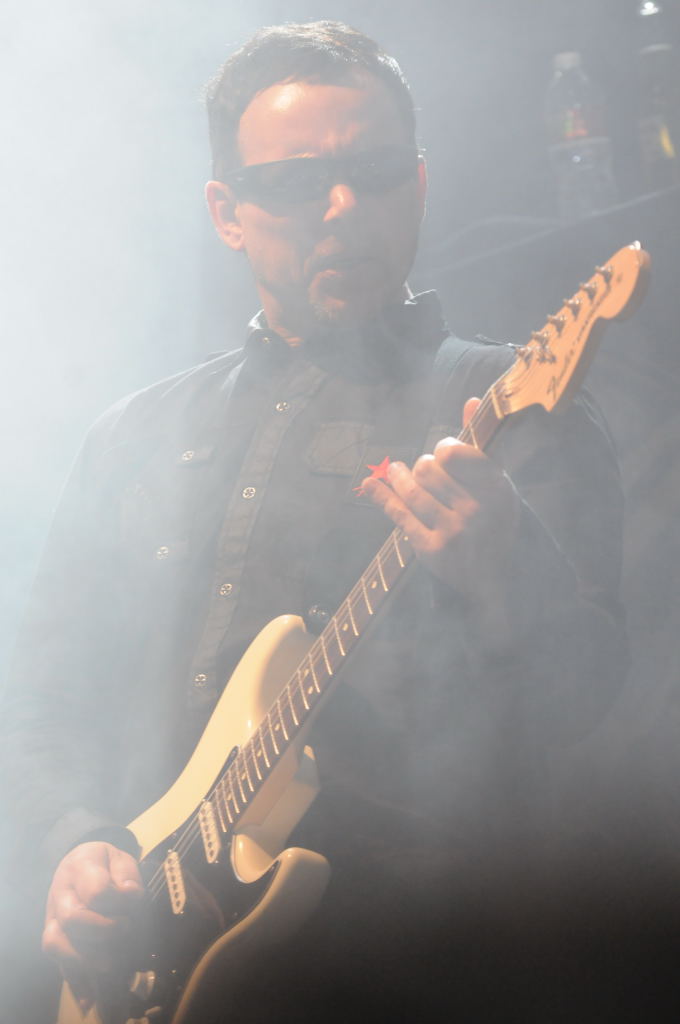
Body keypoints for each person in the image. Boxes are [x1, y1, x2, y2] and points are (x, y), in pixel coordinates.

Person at [2, 20, 626, 1023]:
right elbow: (40, 700)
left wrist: (506, 573)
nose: (343, 208)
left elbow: (589, 706)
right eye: (296, 183)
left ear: (418, 185)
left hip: (412, 969)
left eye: (375, 174)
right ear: (227, 211)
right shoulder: (130, 437)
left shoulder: (507, 404)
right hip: (147, 964)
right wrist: (72, 840)